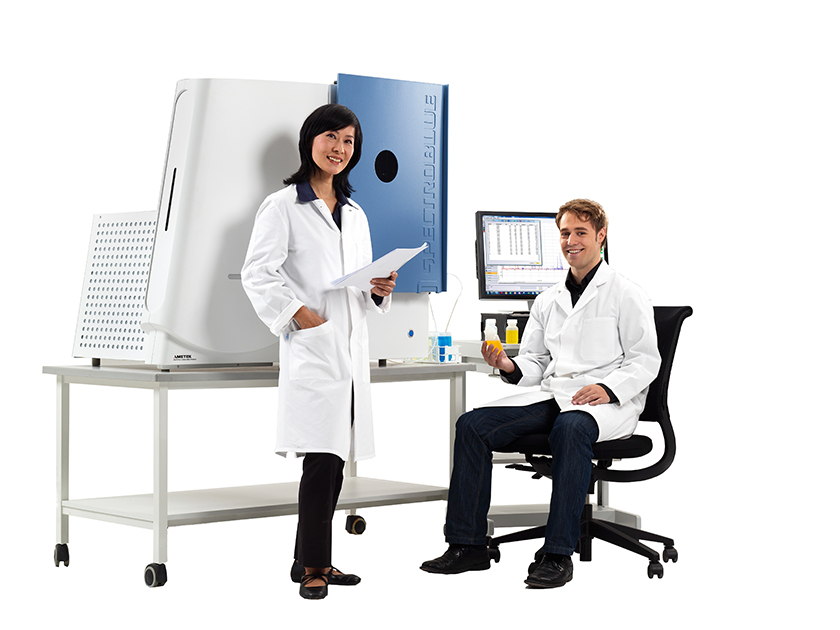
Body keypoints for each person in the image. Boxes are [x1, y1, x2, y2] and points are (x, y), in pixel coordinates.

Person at [420, 199, 660, 588]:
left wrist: (607, 388)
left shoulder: (626, 293)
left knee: (571, 428)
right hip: (556, 395)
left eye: (580, 232)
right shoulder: (548, 299)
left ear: (601, 236)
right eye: (565, 233)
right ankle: (468, 545)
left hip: (606, 403)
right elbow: (535, 360)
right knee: (472, 425)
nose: (571, 241)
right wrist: (508, 365)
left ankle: (557, 554)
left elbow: (645, 360)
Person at [241, 104, 397, 600]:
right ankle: (314, 567)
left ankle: (307, 560)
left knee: (335, 461)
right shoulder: (282, 206)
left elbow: (360, 287)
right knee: (321, 462)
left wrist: (379, 289)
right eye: (331, 137)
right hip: (314, 346)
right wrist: (299, 314)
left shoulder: (355, 213)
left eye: (349, 141)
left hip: (348, 349)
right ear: (310, 140)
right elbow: (257, 274)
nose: (339, 148)